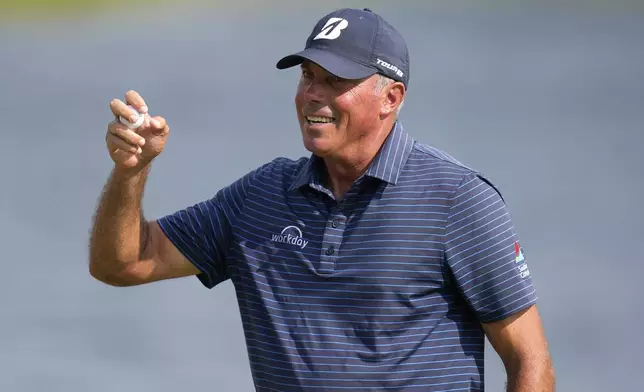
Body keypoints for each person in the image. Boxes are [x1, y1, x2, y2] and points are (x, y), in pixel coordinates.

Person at [89, 7, 555, 392]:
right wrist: (131, 171)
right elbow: (122, 264)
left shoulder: (458, 200)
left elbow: (530, 362)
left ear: (390, 98)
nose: (311, 94)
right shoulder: (259, 197)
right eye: (308, 76)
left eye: (334, 81)